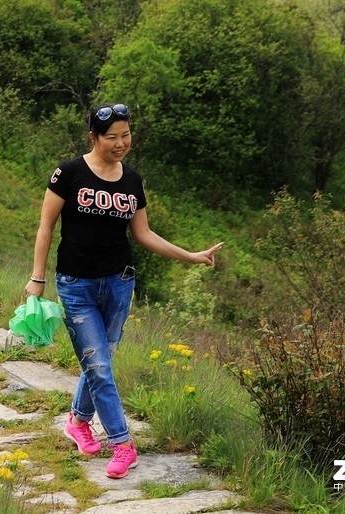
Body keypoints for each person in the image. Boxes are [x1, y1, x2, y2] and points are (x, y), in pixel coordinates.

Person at [24, 103, 222, 479]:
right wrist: (38, 278)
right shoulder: (68, 172)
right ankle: (123, 443)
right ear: (93, 138)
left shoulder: (132, 181)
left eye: (126, 135)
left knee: (101, 361)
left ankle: (78, 421)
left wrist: (191, 257)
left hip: (119, 282)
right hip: (75, 284)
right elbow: (46, 227)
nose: (120, 143)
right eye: (112, 137)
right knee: (97, 364)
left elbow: (143, 234)